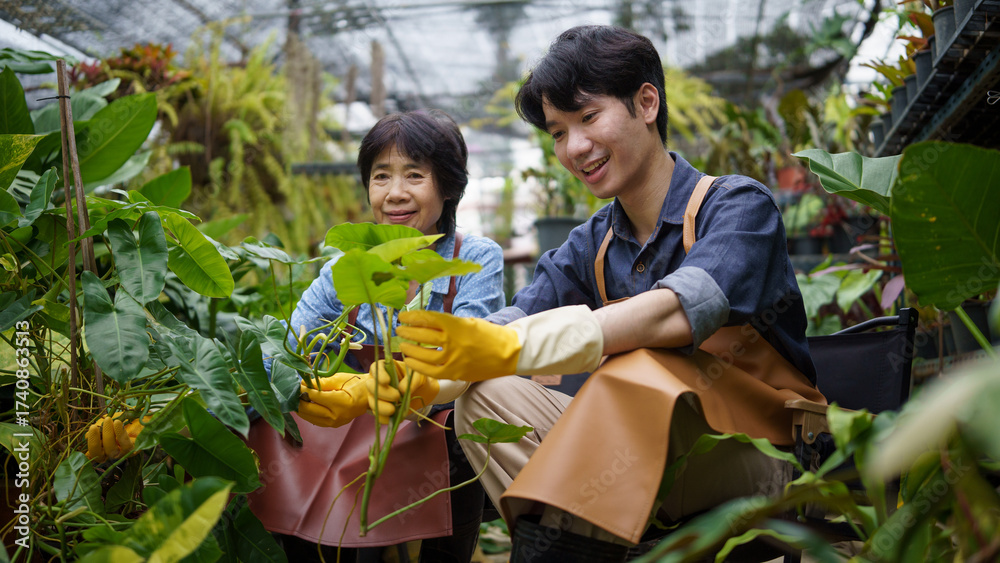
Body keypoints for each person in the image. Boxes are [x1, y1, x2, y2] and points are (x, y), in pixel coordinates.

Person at [395, 26, 827, 562]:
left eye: (588, 118)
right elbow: (505, 325)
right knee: (485, 398)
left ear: (647, 103)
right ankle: (579, 546)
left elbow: (681, 310)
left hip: (759, 455)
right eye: (557, 132)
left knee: (639, 367)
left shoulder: (737, 206)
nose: (574, 147)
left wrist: (520, 346)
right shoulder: (592, 244)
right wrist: (404, 385)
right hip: (637, 462)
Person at [88, 110, 505, 562]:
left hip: (437, 449)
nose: (395, 193)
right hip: (362, 449)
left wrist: (388, 386)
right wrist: (173, 415)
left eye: (415, 175)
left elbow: (471, 359)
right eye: (381, 175)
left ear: (448, 186)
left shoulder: (475, 257)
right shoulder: (344, 271)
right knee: (273, 415)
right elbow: (278, 356)